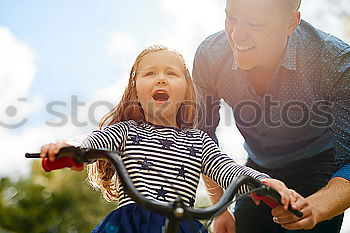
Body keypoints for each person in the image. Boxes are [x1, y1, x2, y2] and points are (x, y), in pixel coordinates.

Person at [39, 45, 298, 233]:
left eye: (171, 74)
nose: (161, 77)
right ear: (135, 89)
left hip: (182, 225)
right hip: (132, 226)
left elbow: (229, 170)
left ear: (186, 88)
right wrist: (71, 148)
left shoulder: (198, 141)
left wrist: (263, 183)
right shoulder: (127, 130)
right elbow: (94, 140)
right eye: (150, 73)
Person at [192, 0, 350, 232]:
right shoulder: (210, 56)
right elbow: (201, 137)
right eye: (231, 19)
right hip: (257, 169)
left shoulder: (335, 61)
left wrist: (315, 207)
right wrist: (220, 208)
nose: (236, 36)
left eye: (255, 24)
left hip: (319, 166)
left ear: (291, 23)